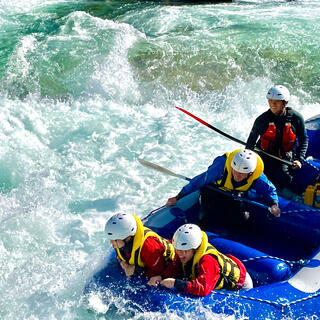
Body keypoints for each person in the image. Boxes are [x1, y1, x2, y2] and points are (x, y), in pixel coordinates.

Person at [166, 149, 281, 219]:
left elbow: (271, 190)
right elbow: (198, 181)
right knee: (207, 217)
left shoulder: (258, 177)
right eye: (235, 171)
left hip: (235, 194)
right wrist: (178, 197)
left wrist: (274, 204)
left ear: (250, 173)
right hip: (214, 190)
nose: (237, 175)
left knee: (242, 219)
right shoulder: (220, 168)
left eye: (241, 174)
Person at [149, 224, 253, 297]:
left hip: (240, 286)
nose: (180, 254)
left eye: (184, 251)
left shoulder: (208, 261)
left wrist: (177, 283)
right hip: (212, 277)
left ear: (194, 249)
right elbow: (175, 266)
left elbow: (203, 288)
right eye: (178, 250)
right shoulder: (183, 251)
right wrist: (162, 276)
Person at [246, 85, 308, 193]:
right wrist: (248, 161)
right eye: (270, 101)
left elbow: (303, 140)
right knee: (259, 179)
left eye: (277, 102)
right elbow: (250, 143)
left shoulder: (296, 118)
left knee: (283, 178)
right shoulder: (262, 119)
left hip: (283, 157)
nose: (272, 105)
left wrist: (299, 159)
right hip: (264, 155)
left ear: (285, 103)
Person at [105, 212, 175, 284]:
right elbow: (119, 255)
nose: (112, 243)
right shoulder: (120, 241)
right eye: (111, 239)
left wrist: (135, 270)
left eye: (115, 240)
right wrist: (122, 262)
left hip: (169, 263)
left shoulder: (149, 247)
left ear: (127, 238)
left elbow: (158, 271)